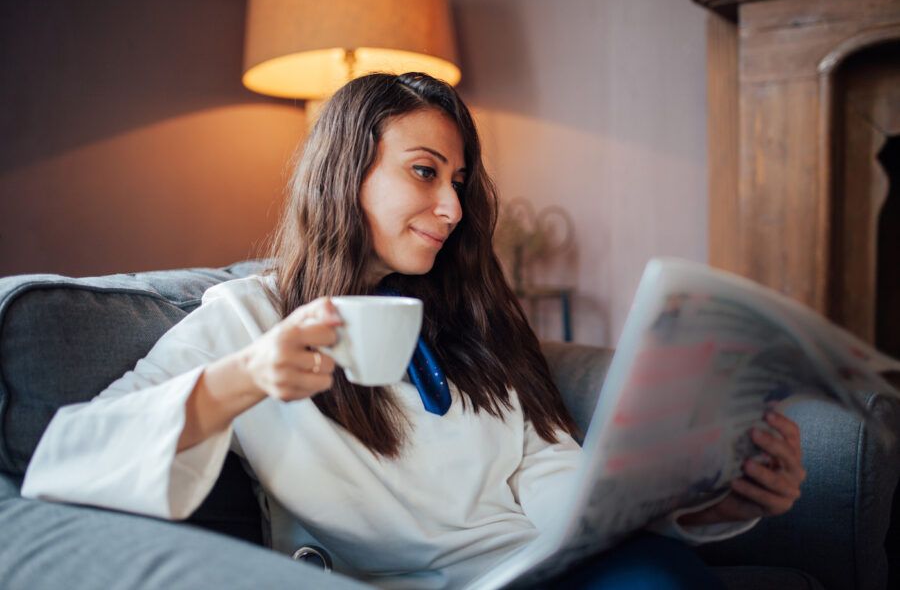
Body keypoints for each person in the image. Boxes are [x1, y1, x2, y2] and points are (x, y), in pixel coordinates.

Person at [21, 72, 805, 589]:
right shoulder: (247, 321)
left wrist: (705, 499)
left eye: (458, 182)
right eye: (425, 172)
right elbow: (65, 457)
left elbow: (554, 485)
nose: (453, 209)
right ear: (345, 172)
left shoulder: (474, 325)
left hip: (538, 568)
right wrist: (245, 378)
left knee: (659, 572)